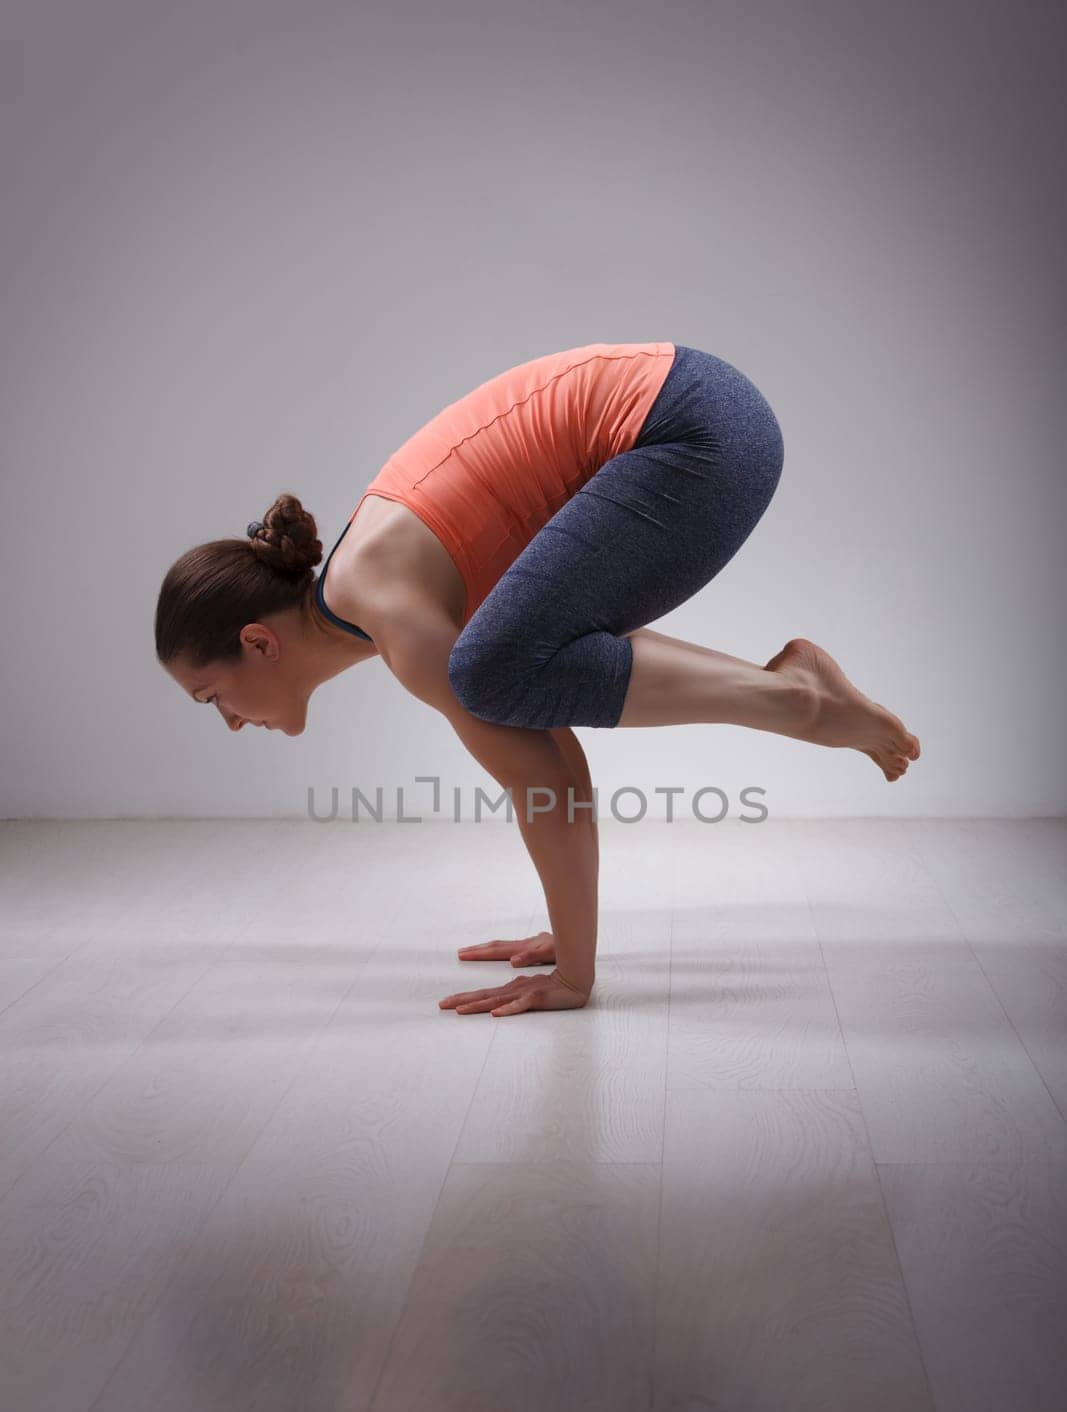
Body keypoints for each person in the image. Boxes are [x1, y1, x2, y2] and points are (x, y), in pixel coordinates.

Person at [156, 341, 920, 1018]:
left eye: (209, 696)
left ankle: (794, 699)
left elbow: (543, 786)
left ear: (258, 642)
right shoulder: (388, 588)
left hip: (696, 432)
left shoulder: (391, 611)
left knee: (487, 671)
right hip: (710, 417)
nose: (226, 719)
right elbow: (554, 760)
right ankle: (794, 690)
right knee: (504, 664)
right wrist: (567, 938)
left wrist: (576, 978)